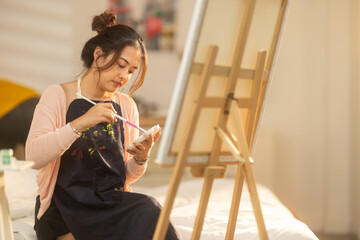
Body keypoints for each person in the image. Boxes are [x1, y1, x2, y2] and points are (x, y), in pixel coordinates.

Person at [25, 10, 180, 240]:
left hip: (108, 203)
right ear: (99, 54)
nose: (124, 76)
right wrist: (80, 123)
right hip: (65, 208)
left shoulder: (126, 106)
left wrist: (140, 159)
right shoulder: (58, 95)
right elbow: (33, 157)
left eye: (131, 71)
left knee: (150, 209)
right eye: (121, 64)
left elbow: (121, 177)